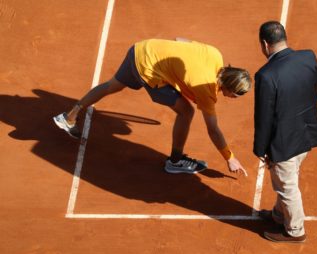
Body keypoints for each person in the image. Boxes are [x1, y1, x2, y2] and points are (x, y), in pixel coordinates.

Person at [53, 38, 251, 175]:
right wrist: (229, 157)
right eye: (236, 94)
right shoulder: (206, 90)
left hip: (141, 50)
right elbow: (213, 130)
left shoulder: (214, 54)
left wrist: (176, 73)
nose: (234, 98)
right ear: (229, 85)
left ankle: (68, 117)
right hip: (148, 72)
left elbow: (180, 40)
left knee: (111, 86)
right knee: (186, 111)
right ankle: (175, 161)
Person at [254, 21, 317, 243]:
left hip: (284, 143)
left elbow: (264, 118)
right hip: (307, 132)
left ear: (265, 45)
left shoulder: (266, 75)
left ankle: (295, 231)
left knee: (287, 186)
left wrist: (260, 149)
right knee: (287, 177)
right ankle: (278, 215)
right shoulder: (308, 57)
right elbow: (315, 87)